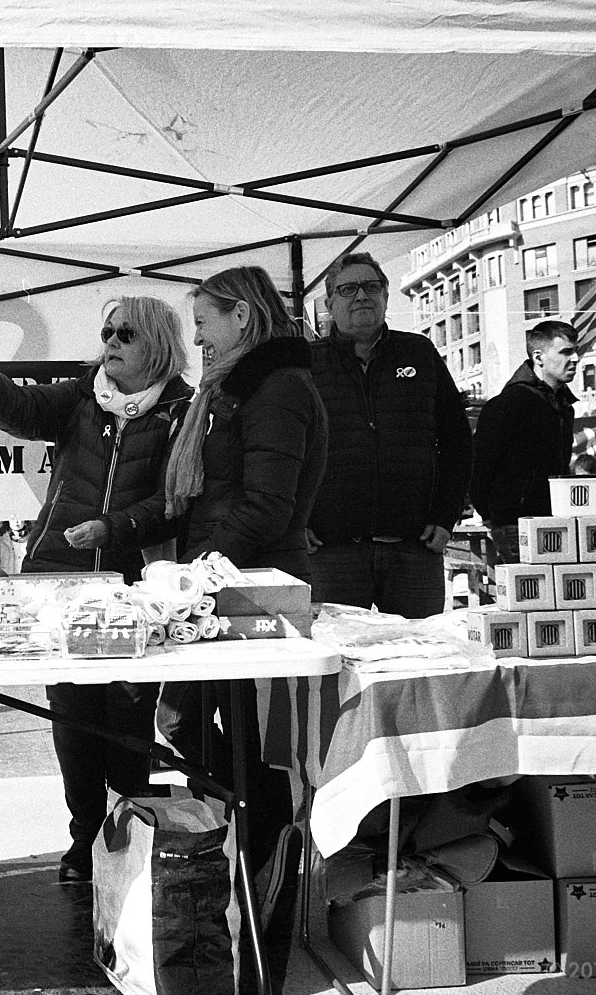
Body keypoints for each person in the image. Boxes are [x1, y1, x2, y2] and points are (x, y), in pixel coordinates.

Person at [0, 296, 192, 885]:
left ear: (158, 343)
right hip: (57, 579)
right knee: (73, 717)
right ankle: (84, 838)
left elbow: (176, 500)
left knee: (129, 714)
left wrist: (115, 527)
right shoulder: (82, 397)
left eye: (125, 334)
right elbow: (16, 407)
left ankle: (128, 832)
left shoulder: (183, 410)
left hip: (136, 586)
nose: (110, 342)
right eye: (106, 331)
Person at [158, 264, 328, 989]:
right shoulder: (235, 388)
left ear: (243, 316)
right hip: (224, 589)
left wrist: (195, 574)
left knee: (250, 749)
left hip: (252, 596)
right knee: (187, 721)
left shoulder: (278, 387)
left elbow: (267, 504)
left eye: (204, 321)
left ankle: (266, 886)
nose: (196, 336)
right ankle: (252, 844)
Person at [306, 253, 472, 618]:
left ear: (385, 295)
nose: (361, 296)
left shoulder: (419, 353)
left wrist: (446, 515)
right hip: (332, 552)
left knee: (421, 648)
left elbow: (458, 441)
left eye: (371, 287)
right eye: (348, 289)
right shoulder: (307, 363)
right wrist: (297, 521)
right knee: (334, 648)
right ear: (329, 303)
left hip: (414, 548)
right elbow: (287, 452)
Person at [471, 319, 580, 565]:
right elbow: (479, 465)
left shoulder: (564, 406)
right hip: (514, 524)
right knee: (531, 588)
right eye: (565, 352)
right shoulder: (510, 403)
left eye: (575, 351)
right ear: (539, 357)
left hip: (555, 519)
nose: (575, 359)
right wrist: (492, 516)